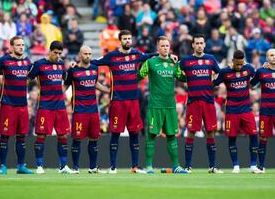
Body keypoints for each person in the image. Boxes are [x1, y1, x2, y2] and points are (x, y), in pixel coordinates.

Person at [91, 29, 160, 173]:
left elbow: (150, 56)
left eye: (129, 38)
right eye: (125, 39)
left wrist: (165, 55)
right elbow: (93, 62)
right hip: (117, 101)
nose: (128, 41)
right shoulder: (112, 56)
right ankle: (113, 167)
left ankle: (134, 166)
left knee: (134, 133)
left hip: (133, 101)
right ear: (120, 40)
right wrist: (76, 63)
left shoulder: (136, 54)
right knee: (115, 133)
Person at [137, 36, 188, 174]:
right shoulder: (150, 62)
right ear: (158, 47)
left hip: (170, 106)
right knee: (152, 135)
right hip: (155, 106)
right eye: (163, 46)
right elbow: (138, 76)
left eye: (167, 46)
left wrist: (188, 69)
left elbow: (182, 77)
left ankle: (176, 166)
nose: (165, 48)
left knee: (172, 136)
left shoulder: (174, 63)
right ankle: (149, 166)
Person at [28, 41, 74, 174]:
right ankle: (39, 166)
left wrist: (70, 69)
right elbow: (28, 78)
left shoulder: (60, 64)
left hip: (59, 105)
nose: (58, 56)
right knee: (41, 135)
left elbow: (67, 80)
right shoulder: (39, 64)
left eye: (60, 53)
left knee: (63, 134)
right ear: (50, 51)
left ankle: (63, 166)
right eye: (55, 53)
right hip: (45, 105)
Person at [179, 34, 223, 173]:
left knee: (210, 132)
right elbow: (175, 70)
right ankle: (187, 166)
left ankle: (212, 166)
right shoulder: (186, 61)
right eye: (196, 43)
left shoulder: (210, 59)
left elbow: (220, 73)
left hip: (208, 101)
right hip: (193, 102)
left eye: (201, 43)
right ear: (192, 45)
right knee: (191, 132)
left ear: (204, 44)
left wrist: (214, 83)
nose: (199, 45)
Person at [213, 50, 262, 174]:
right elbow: (215, 83)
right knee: (232, 137)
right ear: (233, 61)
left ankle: (253, 165)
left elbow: (256, 80)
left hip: (246, 109)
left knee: (254, 135)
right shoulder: (225, 72)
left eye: (241, 64)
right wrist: (210, 75)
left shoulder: (249, 68)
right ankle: (235, 165)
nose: (240, 67)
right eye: (237, 64)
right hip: (231, 110)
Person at [64, 45, 110, 173]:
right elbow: (66, 85)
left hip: (93, 110)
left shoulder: (95, 68)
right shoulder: (73, 70)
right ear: (79, 55)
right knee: (77, 139)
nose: (88, 56)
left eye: (90, 54)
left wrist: (108, 90)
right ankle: (75, 167)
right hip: (79, 110)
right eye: (85, 54)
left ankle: (93, 167)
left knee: (94, 138)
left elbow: (95, 83)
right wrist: (58, 97)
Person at [0, 36, 33, 174]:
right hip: (8, 104)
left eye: (23, 45)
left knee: (21, 136)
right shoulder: (4, 60)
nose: (21, 47)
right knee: (5, 136)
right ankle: (3, 166)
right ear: (11, 47)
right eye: (18, 45)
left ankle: (21, 166)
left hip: (22, 105)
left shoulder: (27, 61)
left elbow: (35, 73)